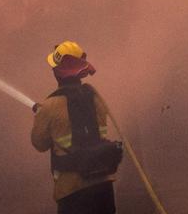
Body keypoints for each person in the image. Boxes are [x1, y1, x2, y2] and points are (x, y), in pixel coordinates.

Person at [31, 41, 122, 214]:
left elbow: (39, 143)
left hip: (72, 191)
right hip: (103, 186)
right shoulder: (95, 98)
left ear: (57, 73)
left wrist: (40, 116)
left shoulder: (48, 107)